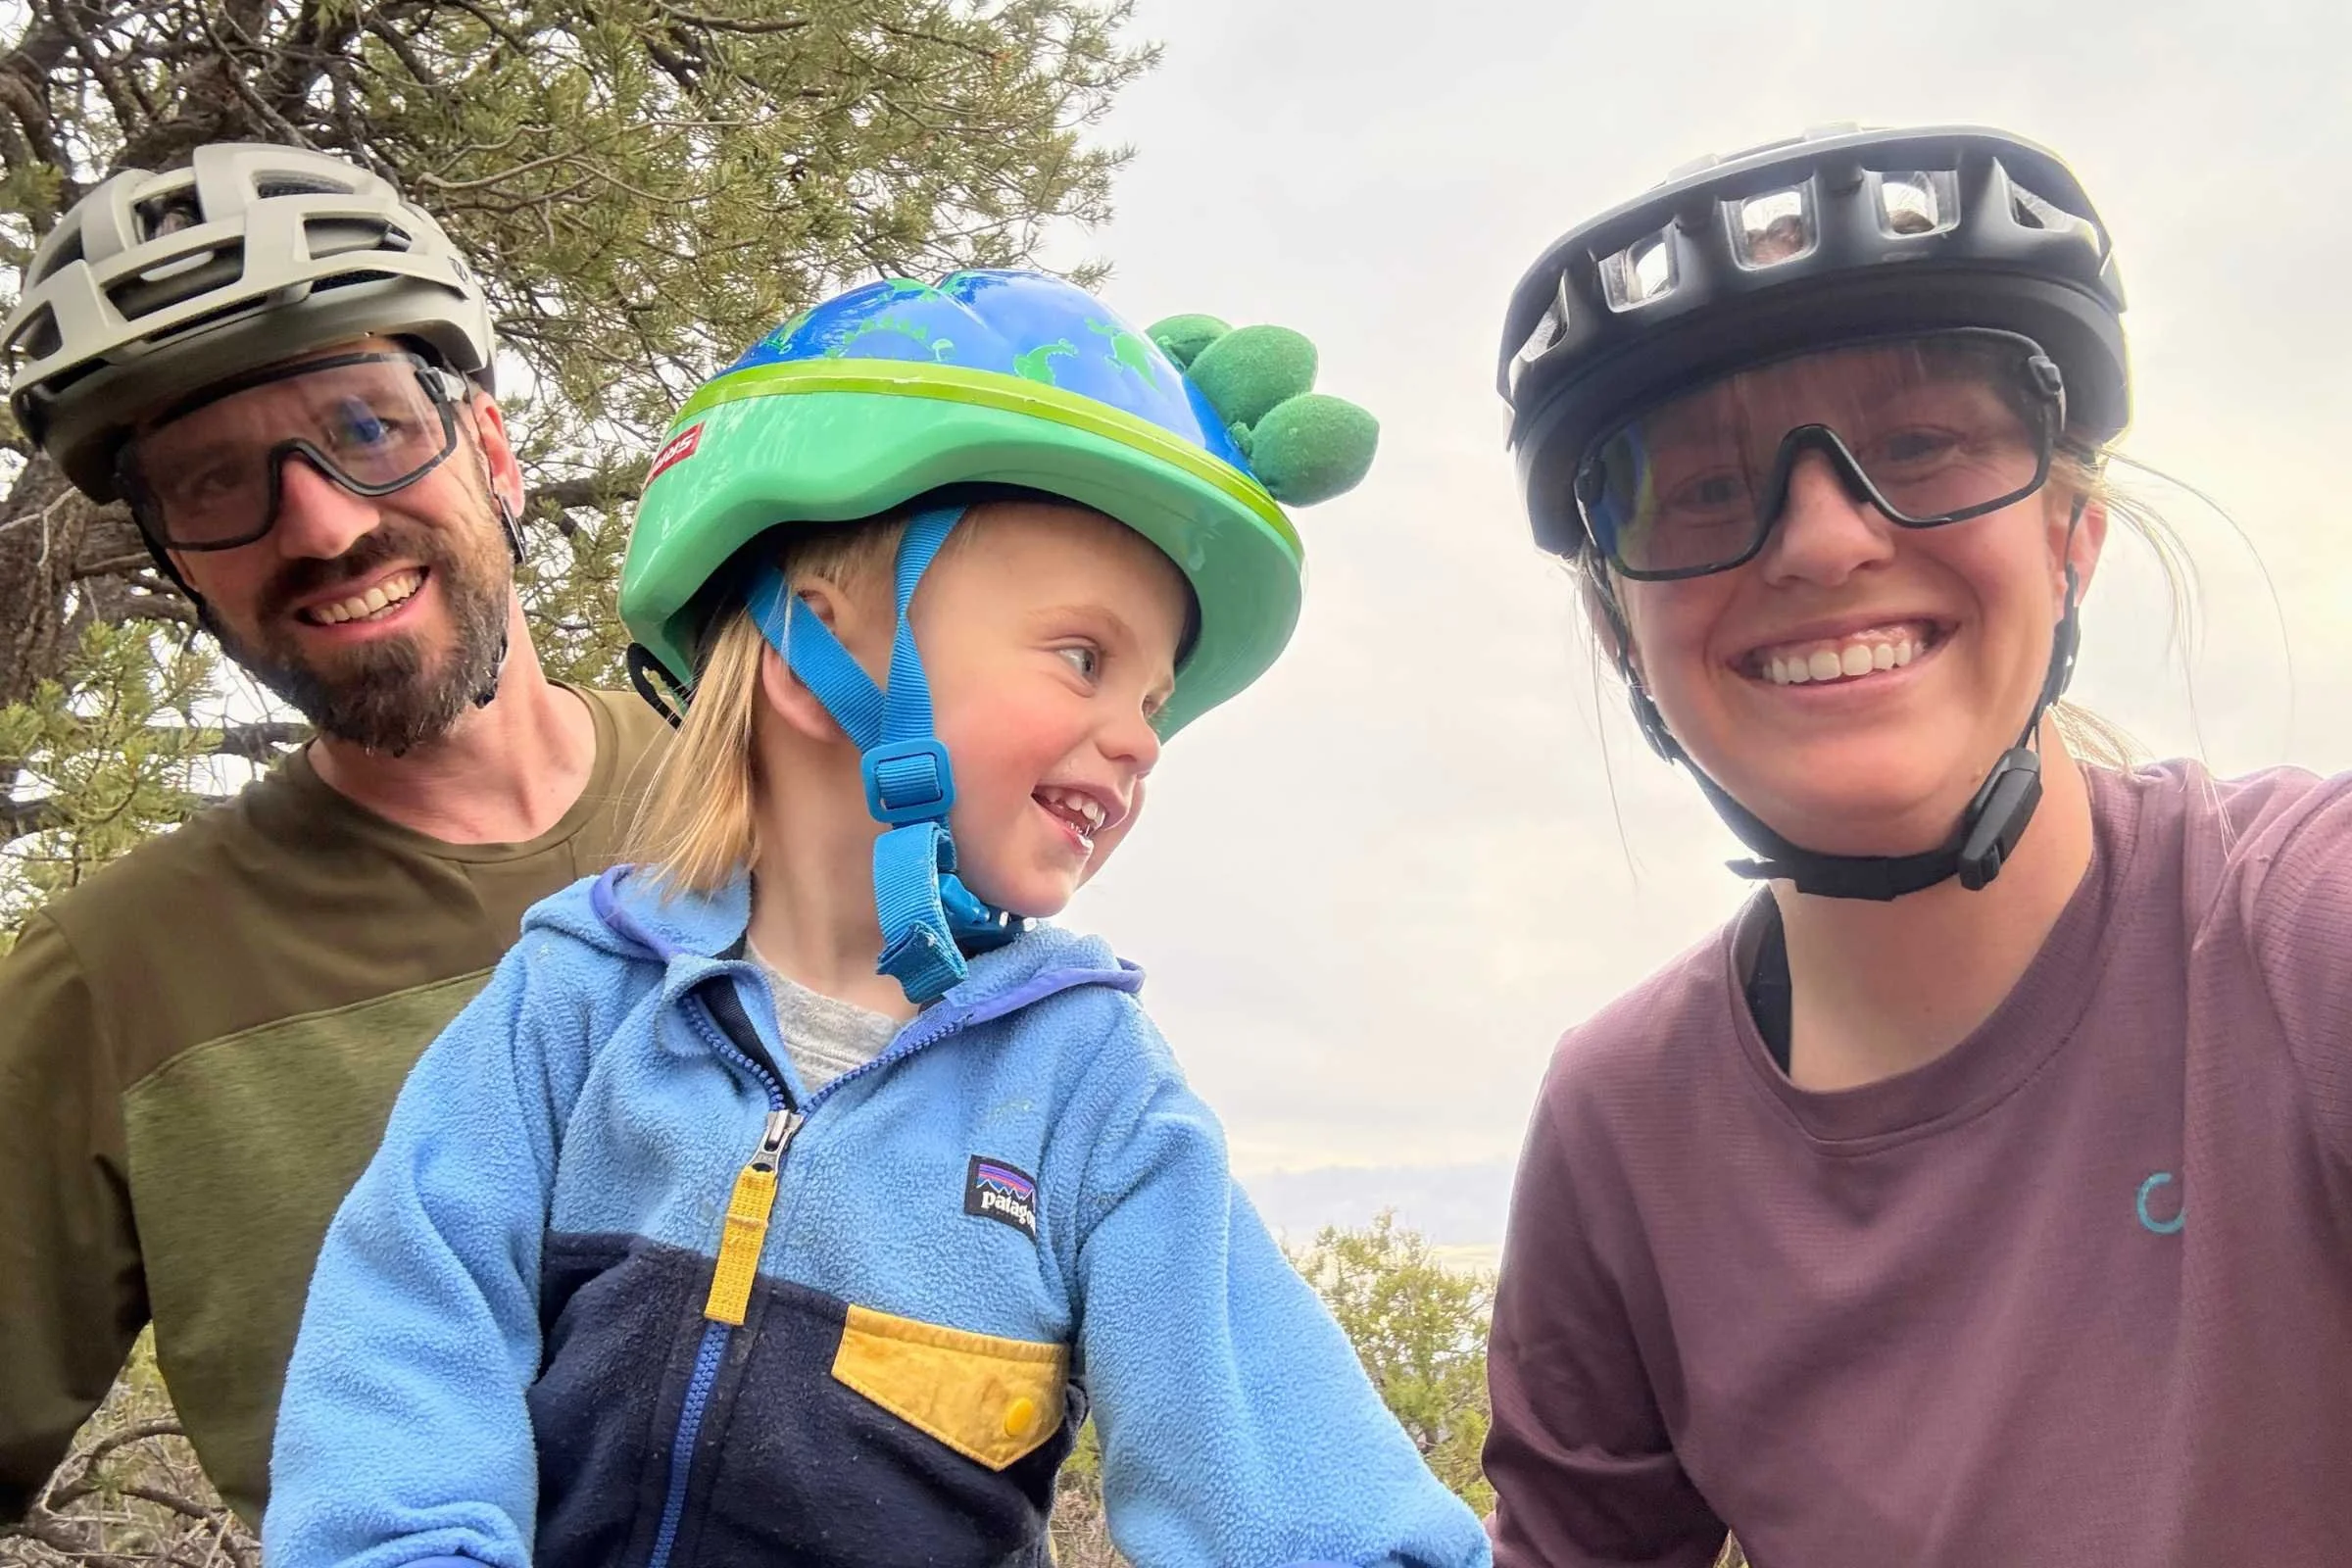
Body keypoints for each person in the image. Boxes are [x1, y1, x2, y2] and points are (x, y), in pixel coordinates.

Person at [261, 270, 1492, 1568]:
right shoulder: (575, 1006)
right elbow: (403, 1357)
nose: (1140, 738)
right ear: (808, 646)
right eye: (1086, 657)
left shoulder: (1091, 1100)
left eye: (1156, 697)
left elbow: (1299, 1493)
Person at [1481, 123, 2352, 1566]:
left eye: (1925, 446)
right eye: (1703, 488)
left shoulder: (2298, 937)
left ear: (2072, 533)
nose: (1822, 541)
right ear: (1618, 633)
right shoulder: (1625, 1130)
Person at [0, 143, 667, 1523]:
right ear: (180, 560)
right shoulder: (111, 982)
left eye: (368, 426)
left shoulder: (790, 794)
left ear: (493, 450)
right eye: (212, 483)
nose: (321, 523)